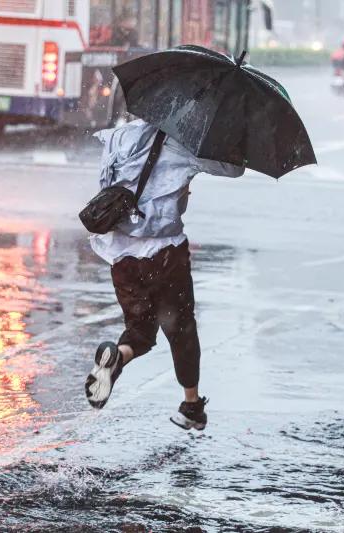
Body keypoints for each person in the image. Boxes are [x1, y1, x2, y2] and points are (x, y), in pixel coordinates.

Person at [85, 119, 245, 430]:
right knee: (180, 328)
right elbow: (233, 168)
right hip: (165, 253)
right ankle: (191, 405)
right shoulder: (184, 145)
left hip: (120, 252)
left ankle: (117, 356)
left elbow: (110, 184)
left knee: (141, 330)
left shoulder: (118, 136)